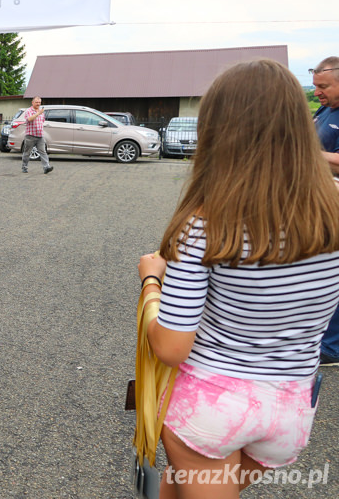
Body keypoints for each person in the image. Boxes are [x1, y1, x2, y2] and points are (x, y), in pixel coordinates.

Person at [137, 59, 339, 498]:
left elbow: (171, 347)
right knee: (175, 491)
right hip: (290, 407)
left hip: (211, 407)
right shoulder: (333, 209)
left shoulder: (206, 224)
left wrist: (152, 282)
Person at [310, 56, 339, 366]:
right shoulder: (324, 110)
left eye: (323, 86)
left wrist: (306, 152)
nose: (317, 91)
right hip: (321, 202)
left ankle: (331, 348)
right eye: (315, 85)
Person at [21, 97, 52, 174]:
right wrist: (38, 113)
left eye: (39, 102)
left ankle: (46, 167)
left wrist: (40, 113)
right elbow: (29, 119)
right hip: (30, 135)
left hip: (40, 136)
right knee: (27, 152)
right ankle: (24, 167)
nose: (38, 104)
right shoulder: (29, 111)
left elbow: (42, 121)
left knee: (43, 152)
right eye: (36, 102)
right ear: (32, 102)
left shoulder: (42, 112)